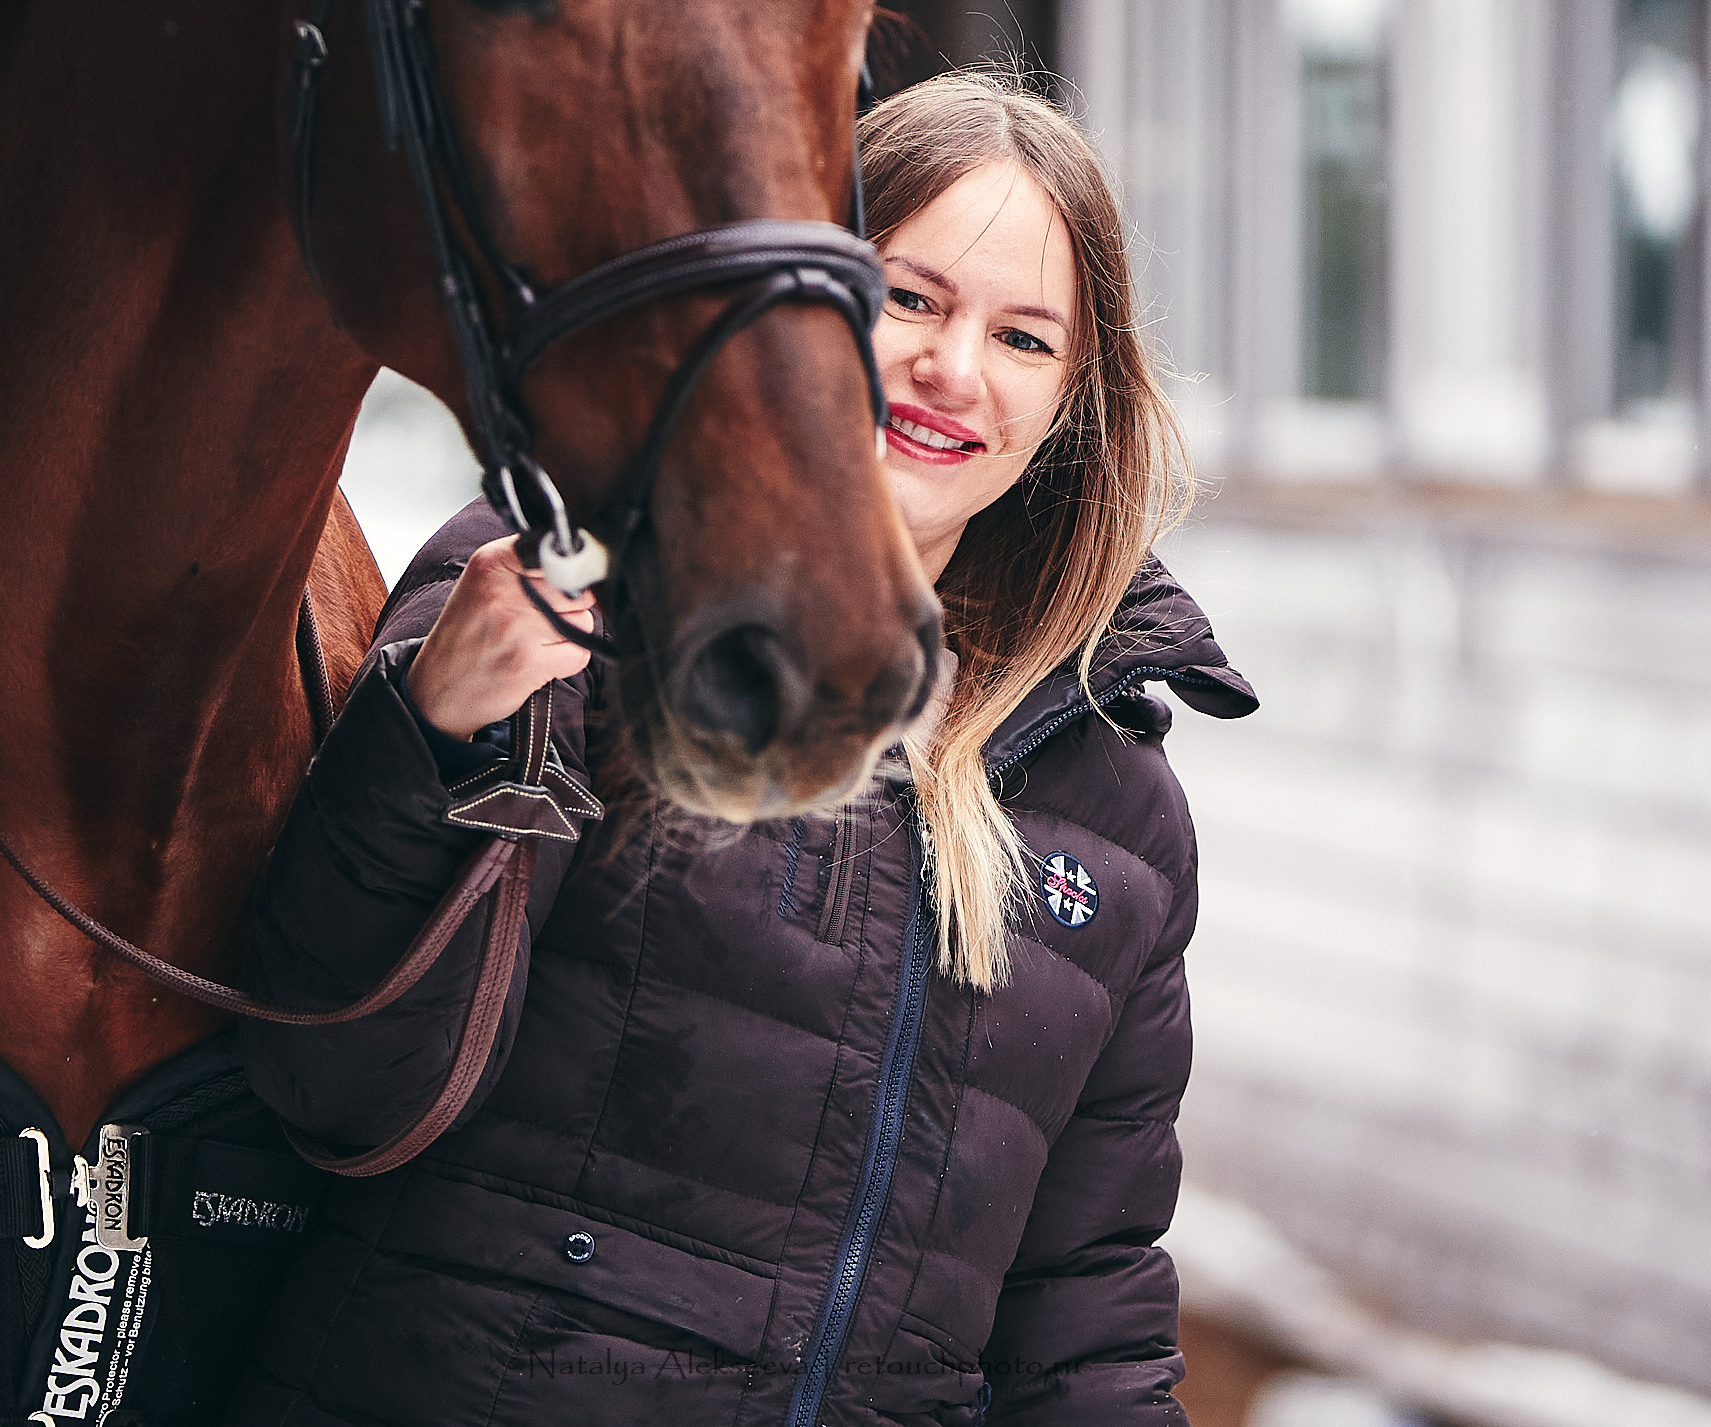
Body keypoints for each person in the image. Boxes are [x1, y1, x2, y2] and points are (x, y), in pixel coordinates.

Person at [232, 71, 1257, 1426]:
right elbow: (330, 1080)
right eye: (913, 298)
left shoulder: (1110, 795)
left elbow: (1086, 1304)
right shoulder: (572, 593)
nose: (956, 370)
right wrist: (435, 731)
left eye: (1024, 339)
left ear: (1072, 398)